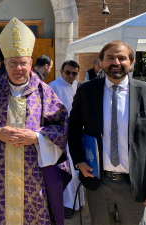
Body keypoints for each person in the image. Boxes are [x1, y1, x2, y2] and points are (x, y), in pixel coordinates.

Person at [0, 18, 71, 225]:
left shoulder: (45, 93)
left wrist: (37, 137)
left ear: (30, 64)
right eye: (13, 63)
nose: (18, 68)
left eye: (22, 63)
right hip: (0, 171)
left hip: (35, 172)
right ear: (5, 64)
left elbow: (61, 125)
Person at [69, 40, 146, 224]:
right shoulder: (86, 90)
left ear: (131, 63)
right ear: (102, 62)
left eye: (122, 58)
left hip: (135, 185)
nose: (116, 62)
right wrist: (79, 161)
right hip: (98, 182)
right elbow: (73, 128)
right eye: (110, 58)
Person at [49, 60, 84, 219]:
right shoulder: (53, 86)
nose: (71, 76)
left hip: (77, 132)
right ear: (61, 71)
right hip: (61, 134)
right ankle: (65, 204)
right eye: (68, 72)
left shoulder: (78, 86)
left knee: (78, 168)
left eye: (74, 73)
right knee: (66, 168)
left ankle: (77, 202)